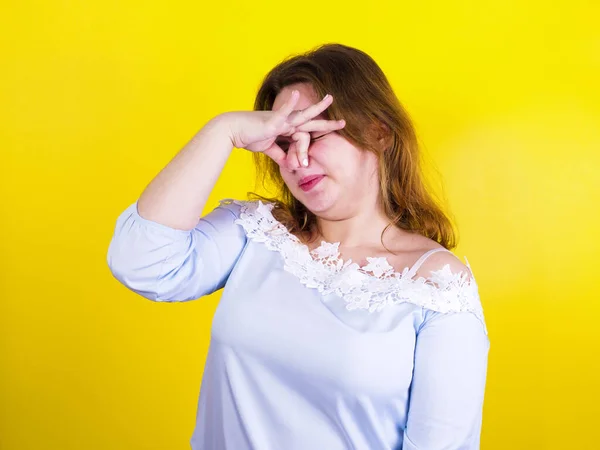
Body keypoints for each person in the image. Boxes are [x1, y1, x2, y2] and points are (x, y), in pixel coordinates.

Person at [107, 43, 490, 450]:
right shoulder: (254, 233)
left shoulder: (438, 286)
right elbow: (140, 261)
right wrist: (224, 130)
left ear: (379, 132)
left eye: (314, 134)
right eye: (284, 142)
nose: (297, 160)